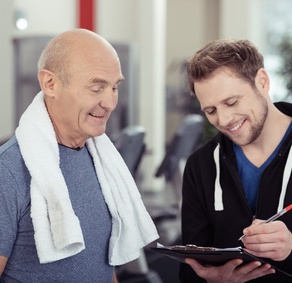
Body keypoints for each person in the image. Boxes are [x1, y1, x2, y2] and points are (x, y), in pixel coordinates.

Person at [0, 28, 159, 282]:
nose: (110, 103)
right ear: (50, 84)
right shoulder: (8, 172)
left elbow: (105, 265)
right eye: (97, 88)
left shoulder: (102, 162)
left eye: (114, 87)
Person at [179, 39, 292, 282]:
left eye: (232, 102)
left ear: (262, 82)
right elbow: (189, 269)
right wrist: (212, 279)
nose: (224, 119)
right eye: (211, 111)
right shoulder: (200, 166)